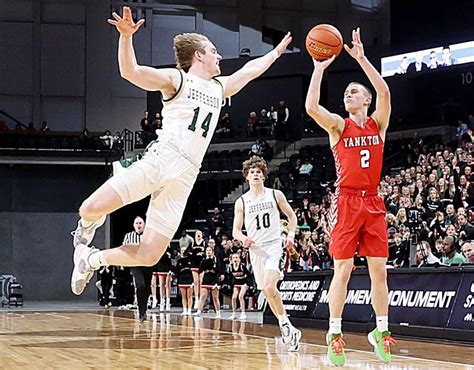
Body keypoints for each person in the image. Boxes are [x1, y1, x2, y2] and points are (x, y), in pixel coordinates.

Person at [70, 5, 293, 297]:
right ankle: (86, 227)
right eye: (213, 51)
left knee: (149, 254)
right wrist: (126, 37)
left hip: (187, 173)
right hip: (162, 159)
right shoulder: (177, 80)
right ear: (198, 55)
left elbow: (249, 72)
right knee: (89, 207)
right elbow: (131, 72)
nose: (219, 56)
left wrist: (276, 53)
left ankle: (90, 259)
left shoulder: (219, 87)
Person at [305, 27, 395, 365]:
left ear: (366, 100)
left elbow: (384, 91)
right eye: (345, 92)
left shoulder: (377, 124)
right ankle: (335, 334)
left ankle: (381, 331)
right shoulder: (338, 127)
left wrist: (361, 59)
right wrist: (318, 67)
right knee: (342, 271)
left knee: (379, 272)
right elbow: (312, 106)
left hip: (372, 201)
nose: (348, 94)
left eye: (353, 91)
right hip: (346, 202)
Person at [232, 155, 301, 352]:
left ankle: (285, 326)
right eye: (252, 172)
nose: (255, 174)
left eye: (258, 172)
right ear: (246, 176)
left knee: (270, 287)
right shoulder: (242, 202)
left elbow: (292, 216)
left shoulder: (275, 194)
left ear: (264, 176)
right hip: (256, 250)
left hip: (274, 246)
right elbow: (236, 230)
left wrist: (291, 235)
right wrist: (242, 238)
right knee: (266, 292)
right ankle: (288, 326)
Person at [123, 216, 153, 322]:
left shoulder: (149, 236)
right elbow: (124, 249)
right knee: (140, 285)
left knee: (147, 288)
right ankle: (141, 312)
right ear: (134, 225)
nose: (139, 225)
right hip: (135, 264)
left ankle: (143, 309)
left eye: (140, 223)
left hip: (148, 265)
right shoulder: (129, 236)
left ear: (144, 225)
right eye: (137, 223)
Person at [194, 245, 223, 318]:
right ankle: (199, 311)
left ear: (213, 252)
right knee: (203, 295)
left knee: (215, 297)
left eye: (210, 250)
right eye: (207, 250)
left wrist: (212, 268)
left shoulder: (216, 259)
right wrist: (207, 266)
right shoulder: (203, 259)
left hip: (214, 278)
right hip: (206, 278)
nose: (208, 252)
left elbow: (218, 269)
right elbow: (201, 269)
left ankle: (218, 312)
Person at [228, 252, 250, 321]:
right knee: (234, 297)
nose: (235, 259)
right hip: (236, 283)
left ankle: (243, 313)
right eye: (233, 258)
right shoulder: (231, 267)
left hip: (244, 283)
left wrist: (250, 285)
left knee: (240, 296)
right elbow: (230, 276)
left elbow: (249, 275)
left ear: (239, 259)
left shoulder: (242, 266)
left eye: (236, 258)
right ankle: (234, 313)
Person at [175, 246, 194, 315]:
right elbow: (176, 270)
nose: (183, 251)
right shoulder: (179, 261)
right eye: (182, 250)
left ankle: (189, 310)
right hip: (182, 280)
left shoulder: (190, 260)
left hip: (189, 279)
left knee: (189, 296)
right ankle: (184, 309)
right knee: (183, 296)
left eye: (184, 250)